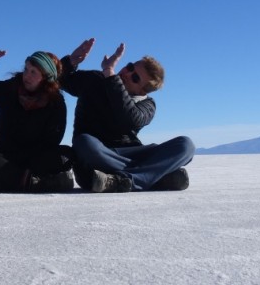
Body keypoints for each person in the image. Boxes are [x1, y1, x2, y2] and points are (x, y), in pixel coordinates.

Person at [61, 38, 193, 192]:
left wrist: (111, 77)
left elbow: (129, 119)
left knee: (186, 145)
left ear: (142, 91)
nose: (127, 73)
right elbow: (63, 80)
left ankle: (120, 180)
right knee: (83, 143)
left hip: (132, 154)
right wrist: (71, 62)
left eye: (135, 77)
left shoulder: (147, 105)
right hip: (100, 156)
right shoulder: (95, 81)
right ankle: (150, 176)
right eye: (130, 67)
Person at [0, 50, 74, 193]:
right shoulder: (10, 89)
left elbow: (53, 139)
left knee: (66, 155)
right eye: (26, 69)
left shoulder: (55, 102)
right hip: (5, 157)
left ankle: (4, 181)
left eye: (33, 72)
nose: (26, 75)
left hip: (34, 159)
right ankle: (27, 181)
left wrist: (31, 160)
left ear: (46, 77)